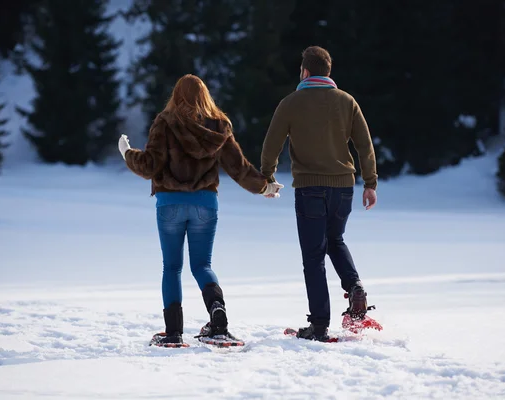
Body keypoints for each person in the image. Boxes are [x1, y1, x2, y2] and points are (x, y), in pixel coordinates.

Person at [118, 74, 283, 346]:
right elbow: (238, 167)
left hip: (169, 204)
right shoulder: (219, 126)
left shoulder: (165, 122)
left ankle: (173, 334)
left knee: (172, 267)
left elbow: (149, 165)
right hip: (205, 204)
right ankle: (218, 321)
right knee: (202, 265)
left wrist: (126, 153)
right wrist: (263, 187)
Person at [260, 46, 378, 341]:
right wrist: (370, 183)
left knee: (314, 256)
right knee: (335, 240)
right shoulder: (347, 101)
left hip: (310, 188)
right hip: (344, 188)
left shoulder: (290, 103)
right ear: (328, 72)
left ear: (305, 72)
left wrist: (268, 177)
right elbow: (364, 145)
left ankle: (319, 324)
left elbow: (271, 144)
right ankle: (355, 288)